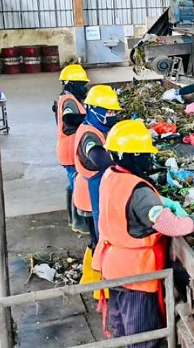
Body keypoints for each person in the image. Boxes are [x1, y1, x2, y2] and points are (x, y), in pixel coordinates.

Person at [93, 120, 194, 346]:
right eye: (145, 154)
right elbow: (171, 226)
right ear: (132, 155)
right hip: (135, 274)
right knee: (142, 336)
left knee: (122, 326)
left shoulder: (111, 175)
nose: (149, 159)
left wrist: (160, 201)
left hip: (112, 266)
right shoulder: (138, 190)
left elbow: (125, 201)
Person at [73, 85, 122, 264]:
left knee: (98, 238)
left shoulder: (97, 127)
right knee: (99, 238)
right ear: (93, 110)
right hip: (90, 192)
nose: (111, 115)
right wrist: (121, 160)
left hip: (98, 188)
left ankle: (95, 267)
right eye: (107, 111)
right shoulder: (89, 135)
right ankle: (97, 272)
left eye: (113, 111)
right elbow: (98, 157)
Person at [54, 64, 90, 234]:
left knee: (72, 183)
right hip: (70, 152)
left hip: (67, 151)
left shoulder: (67, 98)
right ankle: (79, 222)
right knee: (78, 184)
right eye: (82, 84)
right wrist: (88, 116)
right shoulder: (69, 100)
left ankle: (71, 218)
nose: (84, 88)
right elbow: (69, 118)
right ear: (71, 84)